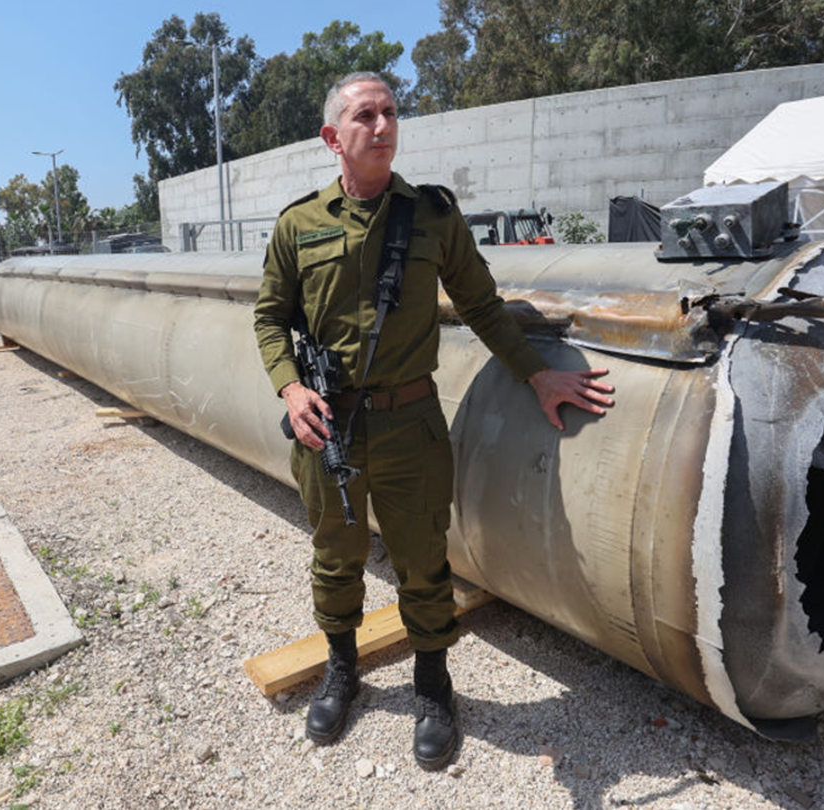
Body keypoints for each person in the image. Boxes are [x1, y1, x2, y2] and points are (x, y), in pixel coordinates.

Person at [252, 72, 614, 770]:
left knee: (423, 563)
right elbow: (269, 317)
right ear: (334, 137)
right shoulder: (298, 225)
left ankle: (433, 684)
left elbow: (481, 305)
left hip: (411, 425)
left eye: (390, 112)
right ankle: (342, 668)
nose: (383, 125)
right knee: (336, 557)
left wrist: (536, 374)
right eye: (365, 116)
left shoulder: (431, 216)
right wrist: (291, 390)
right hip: (327, 426)